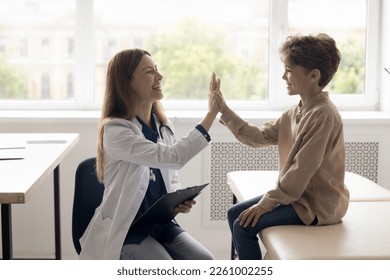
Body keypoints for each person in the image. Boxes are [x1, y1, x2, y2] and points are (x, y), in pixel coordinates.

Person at [211, 33, 350, 260]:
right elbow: (258, 137)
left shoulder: (324, 114)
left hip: (317, 205)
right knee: (234, 213)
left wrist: (265, 204)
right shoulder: (294, 112)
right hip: (298, 198)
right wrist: (223, 110)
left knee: (243, 225)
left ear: (314, 75)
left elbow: (300, 170)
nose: (284, 76)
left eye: (289, 70)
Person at [79, 48, 220, 260]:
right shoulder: (116, 130)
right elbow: (174, 157)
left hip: (161, 225)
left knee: (205, 261)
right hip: (127, 231)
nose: (159, 76)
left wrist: (177, 200)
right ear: (127, 83)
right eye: (149, 72)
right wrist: (211, 115)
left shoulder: (163, 126)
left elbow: (170, 175)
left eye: (157, 70)